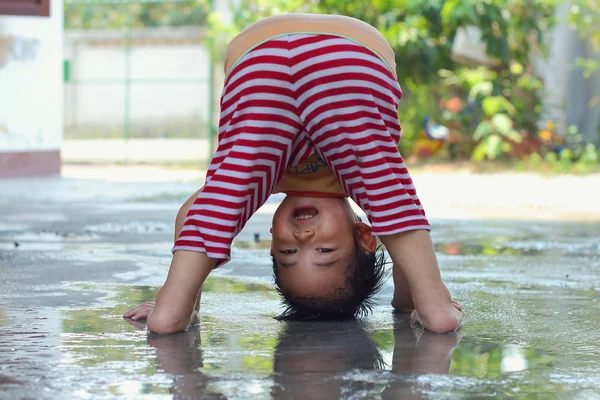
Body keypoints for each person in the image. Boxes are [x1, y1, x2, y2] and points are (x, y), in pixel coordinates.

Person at [123, 13, 463, 333]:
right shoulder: (363, 184)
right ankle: (436, 307)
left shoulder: (263, 177)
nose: (303, 240)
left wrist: (183, 302)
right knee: (388, 195)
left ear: (272, 239)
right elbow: (397, 218)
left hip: (262, 58)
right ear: (365, 235)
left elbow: (199, 214)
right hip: (349, 56)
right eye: (324, 252)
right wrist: (410, 300)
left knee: (221, 200)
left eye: (287, 254)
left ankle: (172, 309)